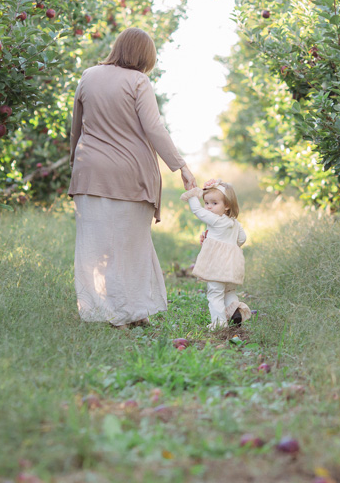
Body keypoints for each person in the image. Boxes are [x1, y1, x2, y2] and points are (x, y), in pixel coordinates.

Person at [69, 28, 197, 328]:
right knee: (131, 246)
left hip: (89, 174)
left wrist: (76, 165)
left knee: (95, 247)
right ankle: (134, 311)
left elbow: (76, 128)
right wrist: (180, 166)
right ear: (144, 57)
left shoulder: (88, 76)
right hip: (131, 175)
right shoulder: (139, 81)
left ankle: (108, 313)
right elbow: (154, 128)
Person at [182, 179, 249, 331]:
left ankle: (219, 324)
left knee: (215, 293)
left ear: (227, 205)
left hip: (217, 265)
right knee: (229, 291)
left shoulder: (216, 220)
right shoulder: (234, 222)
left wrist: (192, 196)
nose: (209, 207)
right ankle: (235, 312)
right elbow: (242, 239)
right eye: (206, 203)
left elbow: (197, 211)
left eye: (214, 203)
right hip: (233, 264)